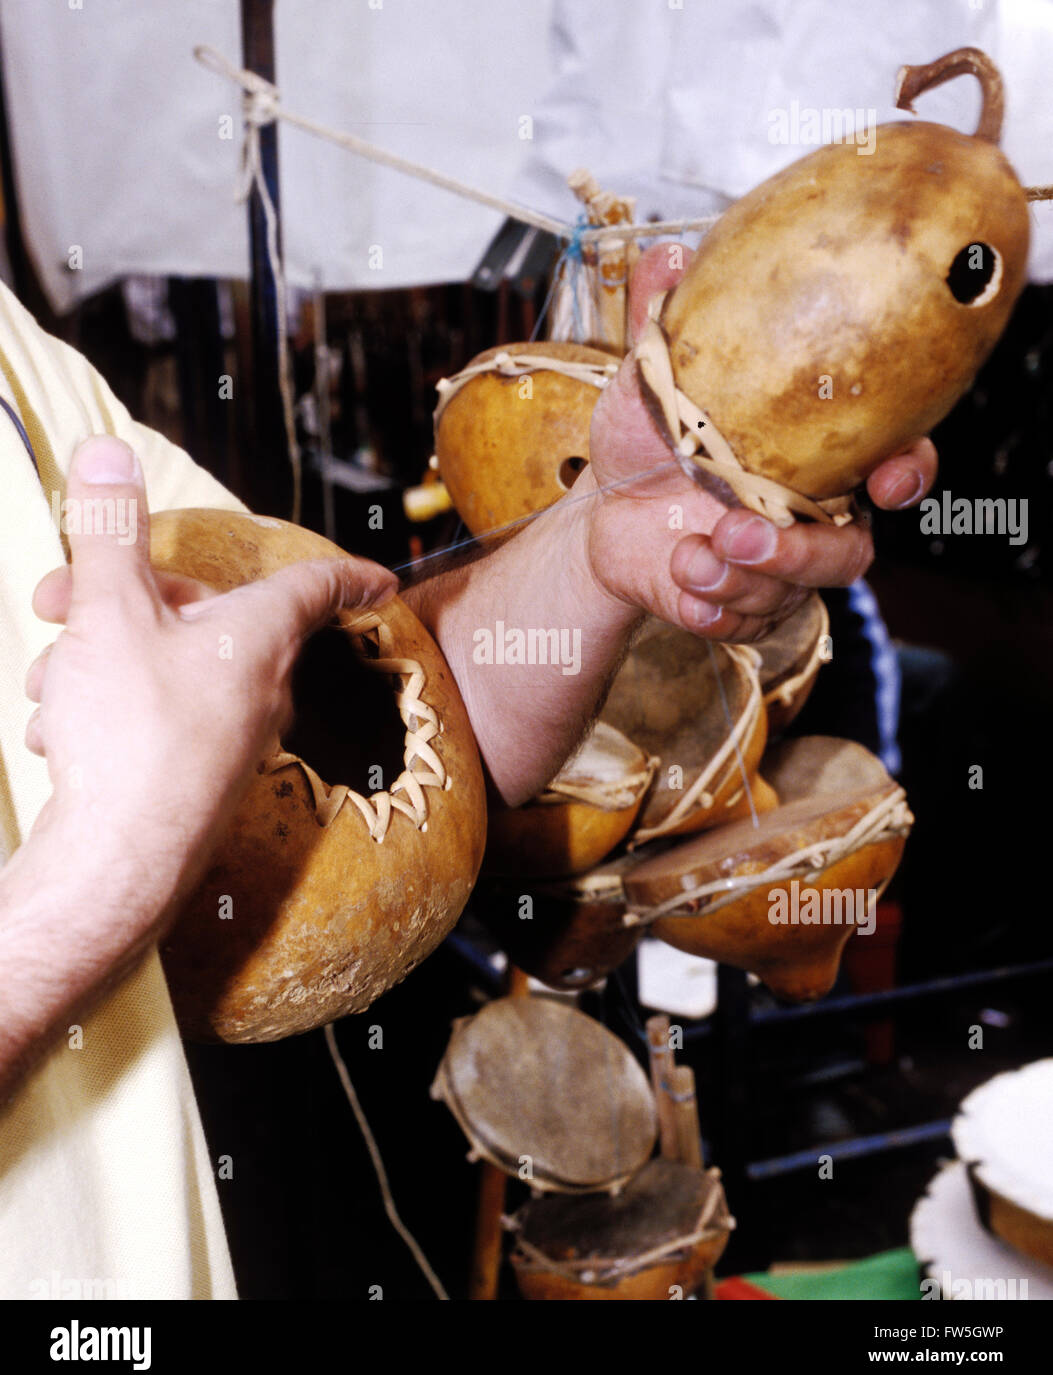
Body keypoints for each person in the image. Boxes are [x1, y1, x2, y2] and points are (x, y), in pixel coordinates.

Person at [0, 247, 936, 1298]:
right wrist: (98, 872)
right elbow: (130, 833)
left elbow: (391, 692)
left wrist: (606, 538)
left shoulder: (15, 356)